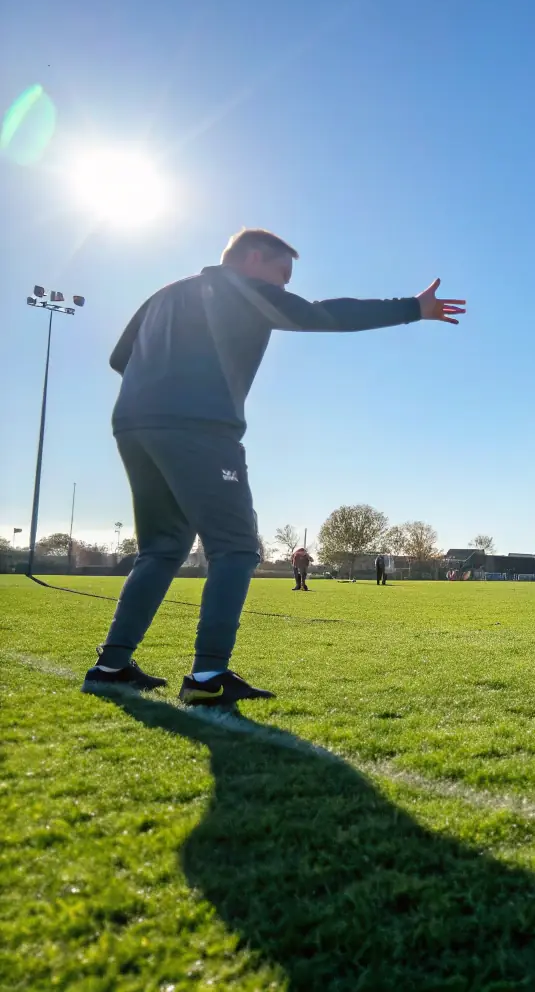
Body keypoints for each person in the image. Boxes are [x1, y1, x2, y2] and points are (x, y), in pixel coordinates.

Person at [81, 228, 466, 707]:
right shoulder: (241, 291)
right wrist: (412, 307)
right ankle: (207, 677)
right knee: (237, 547)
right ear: (253, 258)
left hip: (134, 425)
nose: (283, 288)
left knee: (162, 548)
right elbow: (323, 315)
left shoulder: (164, 294)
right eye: (281, 275)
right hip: (198, 427)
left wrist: (162, 383)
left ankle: (111, 665)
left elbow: (120, 359)